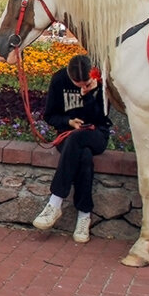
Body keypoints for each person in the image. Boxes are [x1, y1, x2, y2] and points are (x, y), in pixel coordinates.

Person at [32, 54, 112, 242]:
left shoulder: (100, 82)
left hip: (96, 134)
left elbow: (103, 118)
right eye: (78, 83)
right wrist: (68, 121)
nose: (81, 86)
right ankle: (84, 215)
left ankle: (55, 202)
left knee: (79, 141)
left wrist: (91, 96)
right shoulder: (59, 80)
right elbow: (50, 116)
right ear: (69, 76)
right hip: (67, 135)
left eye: (85, 82)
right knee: (83, 156)